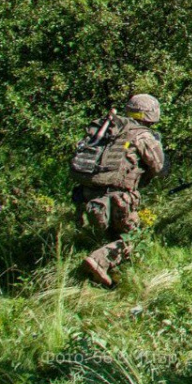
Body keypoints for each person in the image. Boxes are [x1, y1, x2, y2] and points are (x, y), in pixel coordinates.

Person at [70, 94, 166, 288]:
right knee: (133, 237)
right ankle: (98, 261)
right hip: (118, 196)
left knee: (114, 234)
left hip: (88, 192)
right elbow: (160, 168)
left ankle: (110, 279)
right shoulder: (142, 135)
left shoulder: (108, 130)